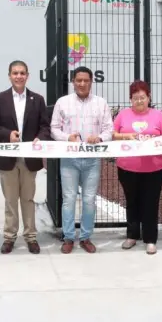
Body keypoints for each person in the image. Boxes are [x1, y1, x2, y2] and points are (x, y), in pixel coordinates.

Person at [0, 60, 52, 255]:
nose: (19, 76)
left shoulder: (37, 99)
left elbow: (45, 125)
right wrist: (7, 135)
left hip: (29, 157)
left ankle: (31, 237)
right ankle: (9, 237)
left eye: (22, 73)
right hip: (8, 157)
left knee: (28, 199)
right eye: (15, 73)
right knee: (10, 200)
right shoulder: (0, 98)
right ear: (9, 76)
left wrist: (40, 138)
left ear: (27, 75)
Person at [50, 66, 113, 254]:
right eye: (79, 80)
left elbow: (109, 129)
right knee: (69, 198)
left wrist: (100, 138)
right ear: (73, 82)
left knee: (89, 199)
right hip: (69, 159)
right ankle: (68, 237)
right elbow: (54, 128)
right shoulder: (63, 102)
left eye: (86, 80)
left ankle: (85, 237)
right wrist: (66, 137)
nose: (82, 84)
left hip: (92, 160)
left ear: (91, 82)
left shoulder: (101, 103)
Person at [112, 80, 162, 255]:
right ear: (130, 99)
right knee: (131, 202)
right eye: (135, 98)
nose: (139, 101)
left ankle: (150, 239)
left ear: (149, 97)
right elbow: (113, 135)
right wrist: (127, 136)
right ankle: (132, 235)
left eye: (142, 97)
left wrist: (154, 141)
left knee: (151, 203)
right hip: (127, 167)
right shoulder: (123, 115)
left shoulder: (158, 116)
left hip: (154, 168)